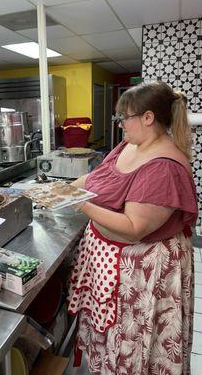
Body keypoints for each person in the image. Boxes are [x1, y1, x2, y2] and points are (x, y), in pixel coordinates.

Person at [67, 81, 198, 375]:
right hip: (110, 266)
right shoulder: (129, 144)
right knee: (110, 344)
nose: (120, 124)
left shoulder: (163, 166)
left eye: (124, 117)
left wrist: (80, 205)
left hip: (142, 275)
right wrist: (62, 190)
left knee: (137, 347)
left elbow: (133, 227)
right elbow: (97, 178)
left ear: (148, 117)